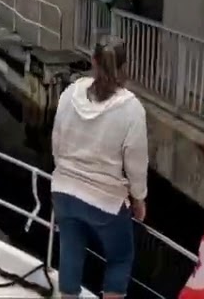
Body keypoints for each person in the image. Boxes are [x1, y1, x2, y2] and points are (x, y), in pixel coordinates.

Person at [51, 39, 148, 299]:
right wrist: (138, 199)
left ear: (93, 62)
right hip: (104, 200)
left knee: (70, 249)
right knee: (120, 257)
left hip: (64, 191)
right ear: (126, 67)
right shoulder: (131, 109)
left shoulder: (71, 92)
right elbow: (136, 163)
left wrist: (64, 174)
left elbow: (57, 143)